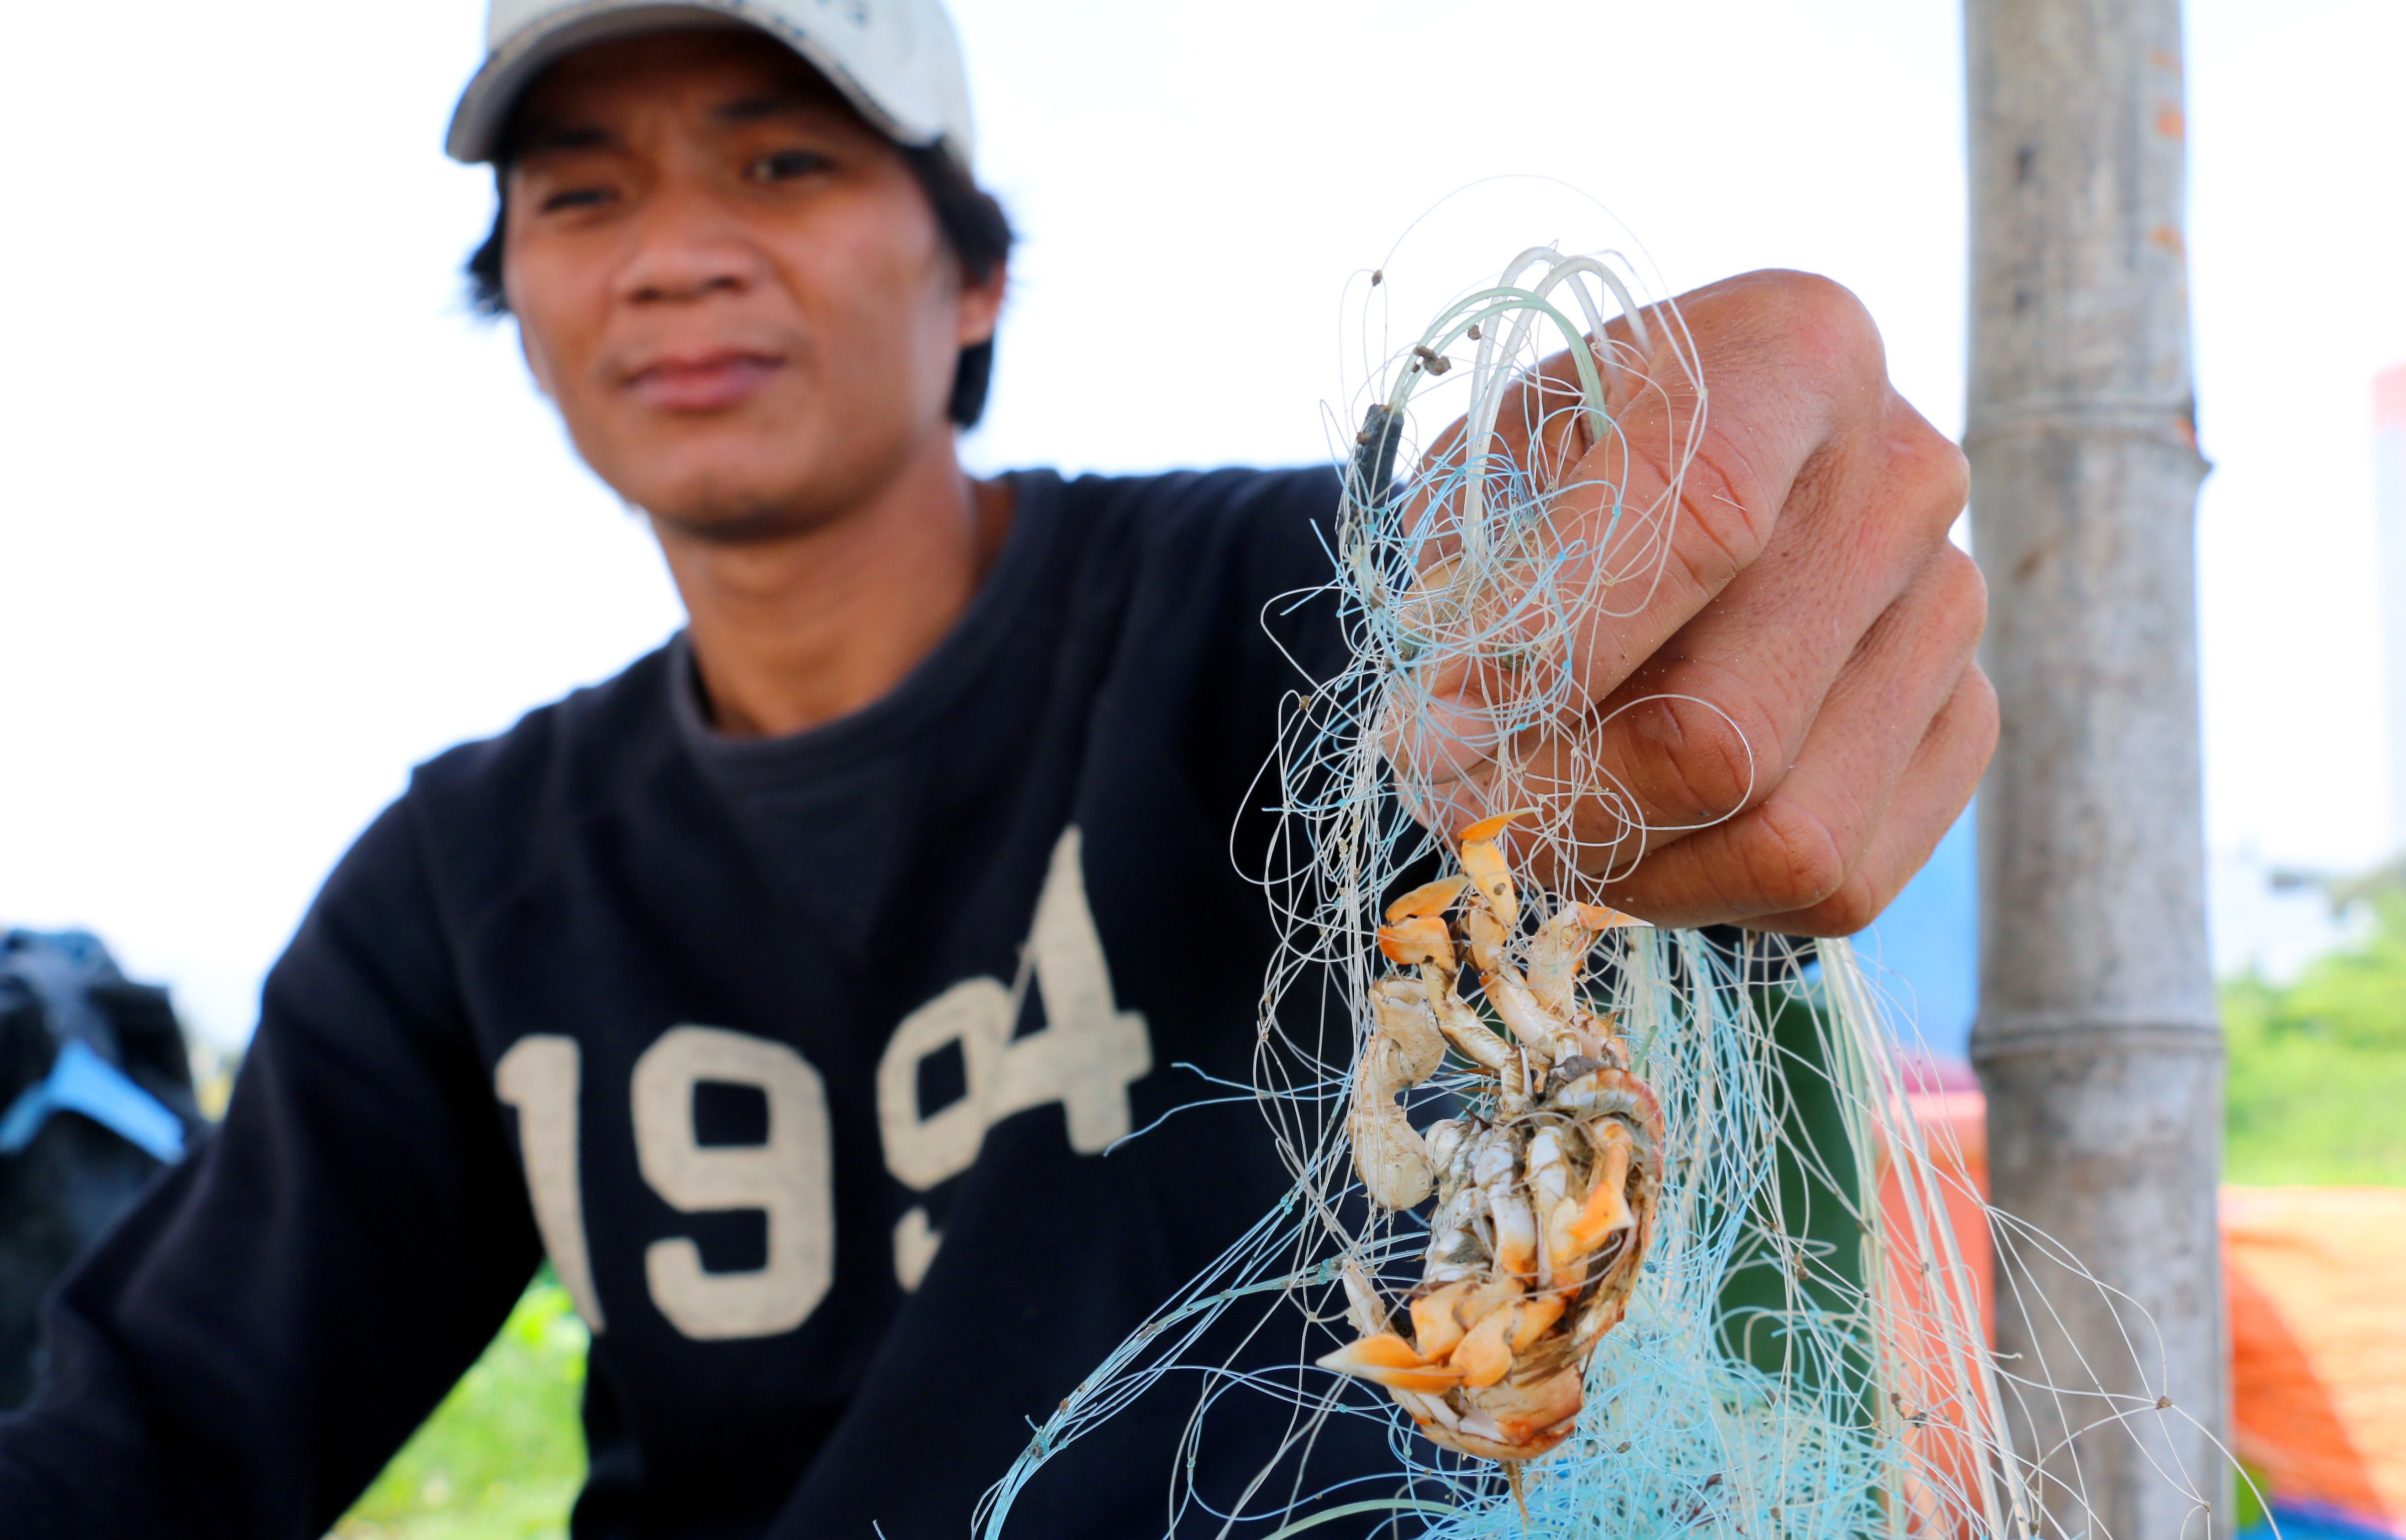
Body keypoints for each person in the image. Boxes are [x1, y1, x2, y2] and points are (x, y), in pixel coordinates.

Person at [0, 1, 1994, 1535]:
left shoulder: (1296, 614)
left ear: (975, 283)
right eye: (583, 196)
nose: (677, 254)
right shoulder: (465, 881)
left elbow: (1587, 548)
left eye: (781, 167)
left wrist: (1727, 503)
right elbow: (161, 1431)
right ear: (517, 307)